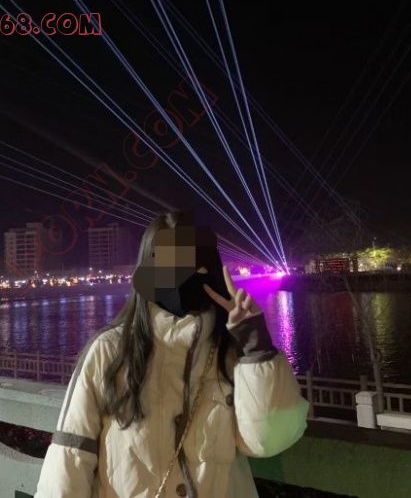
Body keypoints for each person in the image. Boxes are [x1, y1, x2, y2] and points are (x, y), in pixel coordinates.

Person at [35, 211, 309, 497]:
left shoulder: (232, 353)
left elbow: (270, 440)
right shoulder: (108, 352)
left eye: (195, 266)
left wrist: (256, 345)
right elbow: (70, 459)